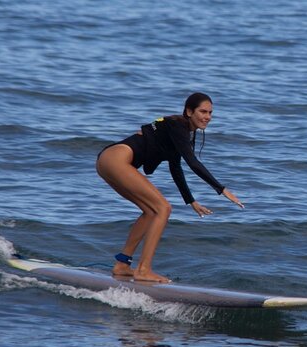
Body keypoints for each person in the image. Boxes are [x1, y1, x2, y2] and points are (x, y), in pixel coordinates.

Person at [96, 92, 244, 283]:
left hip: (108, 160)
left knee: (151, 212)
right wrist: (221, 189)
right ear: (189, 111)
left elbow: (176, 166)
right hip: (117, 159)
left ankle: (122, 264)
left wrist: (191, 201)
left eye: (210, 113)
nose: (207, 116)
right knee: (163, 208)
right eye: (203, 111)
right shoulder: (178, 126)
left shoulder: (179, 131)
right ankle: (144, 269)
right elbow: (193, 163)